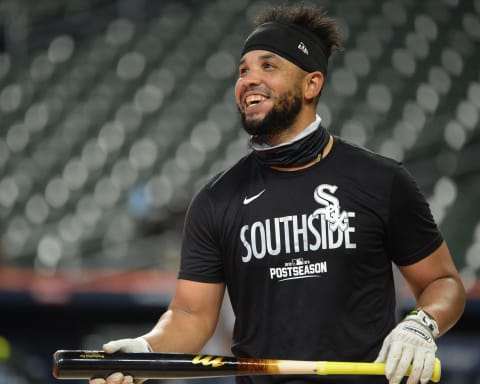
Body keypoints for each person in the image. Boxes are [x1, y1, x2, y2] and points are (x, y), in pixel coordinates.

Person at [90, 4, 465, 384]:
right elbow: (191, 316)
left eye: (269, 66)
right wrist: (148, 351)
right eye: (243, 71)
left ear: (311, 84)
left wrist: (421, 324)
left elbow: (443, 283)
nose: (249, 79)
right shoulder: (216, 200)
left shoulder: (381, 181)